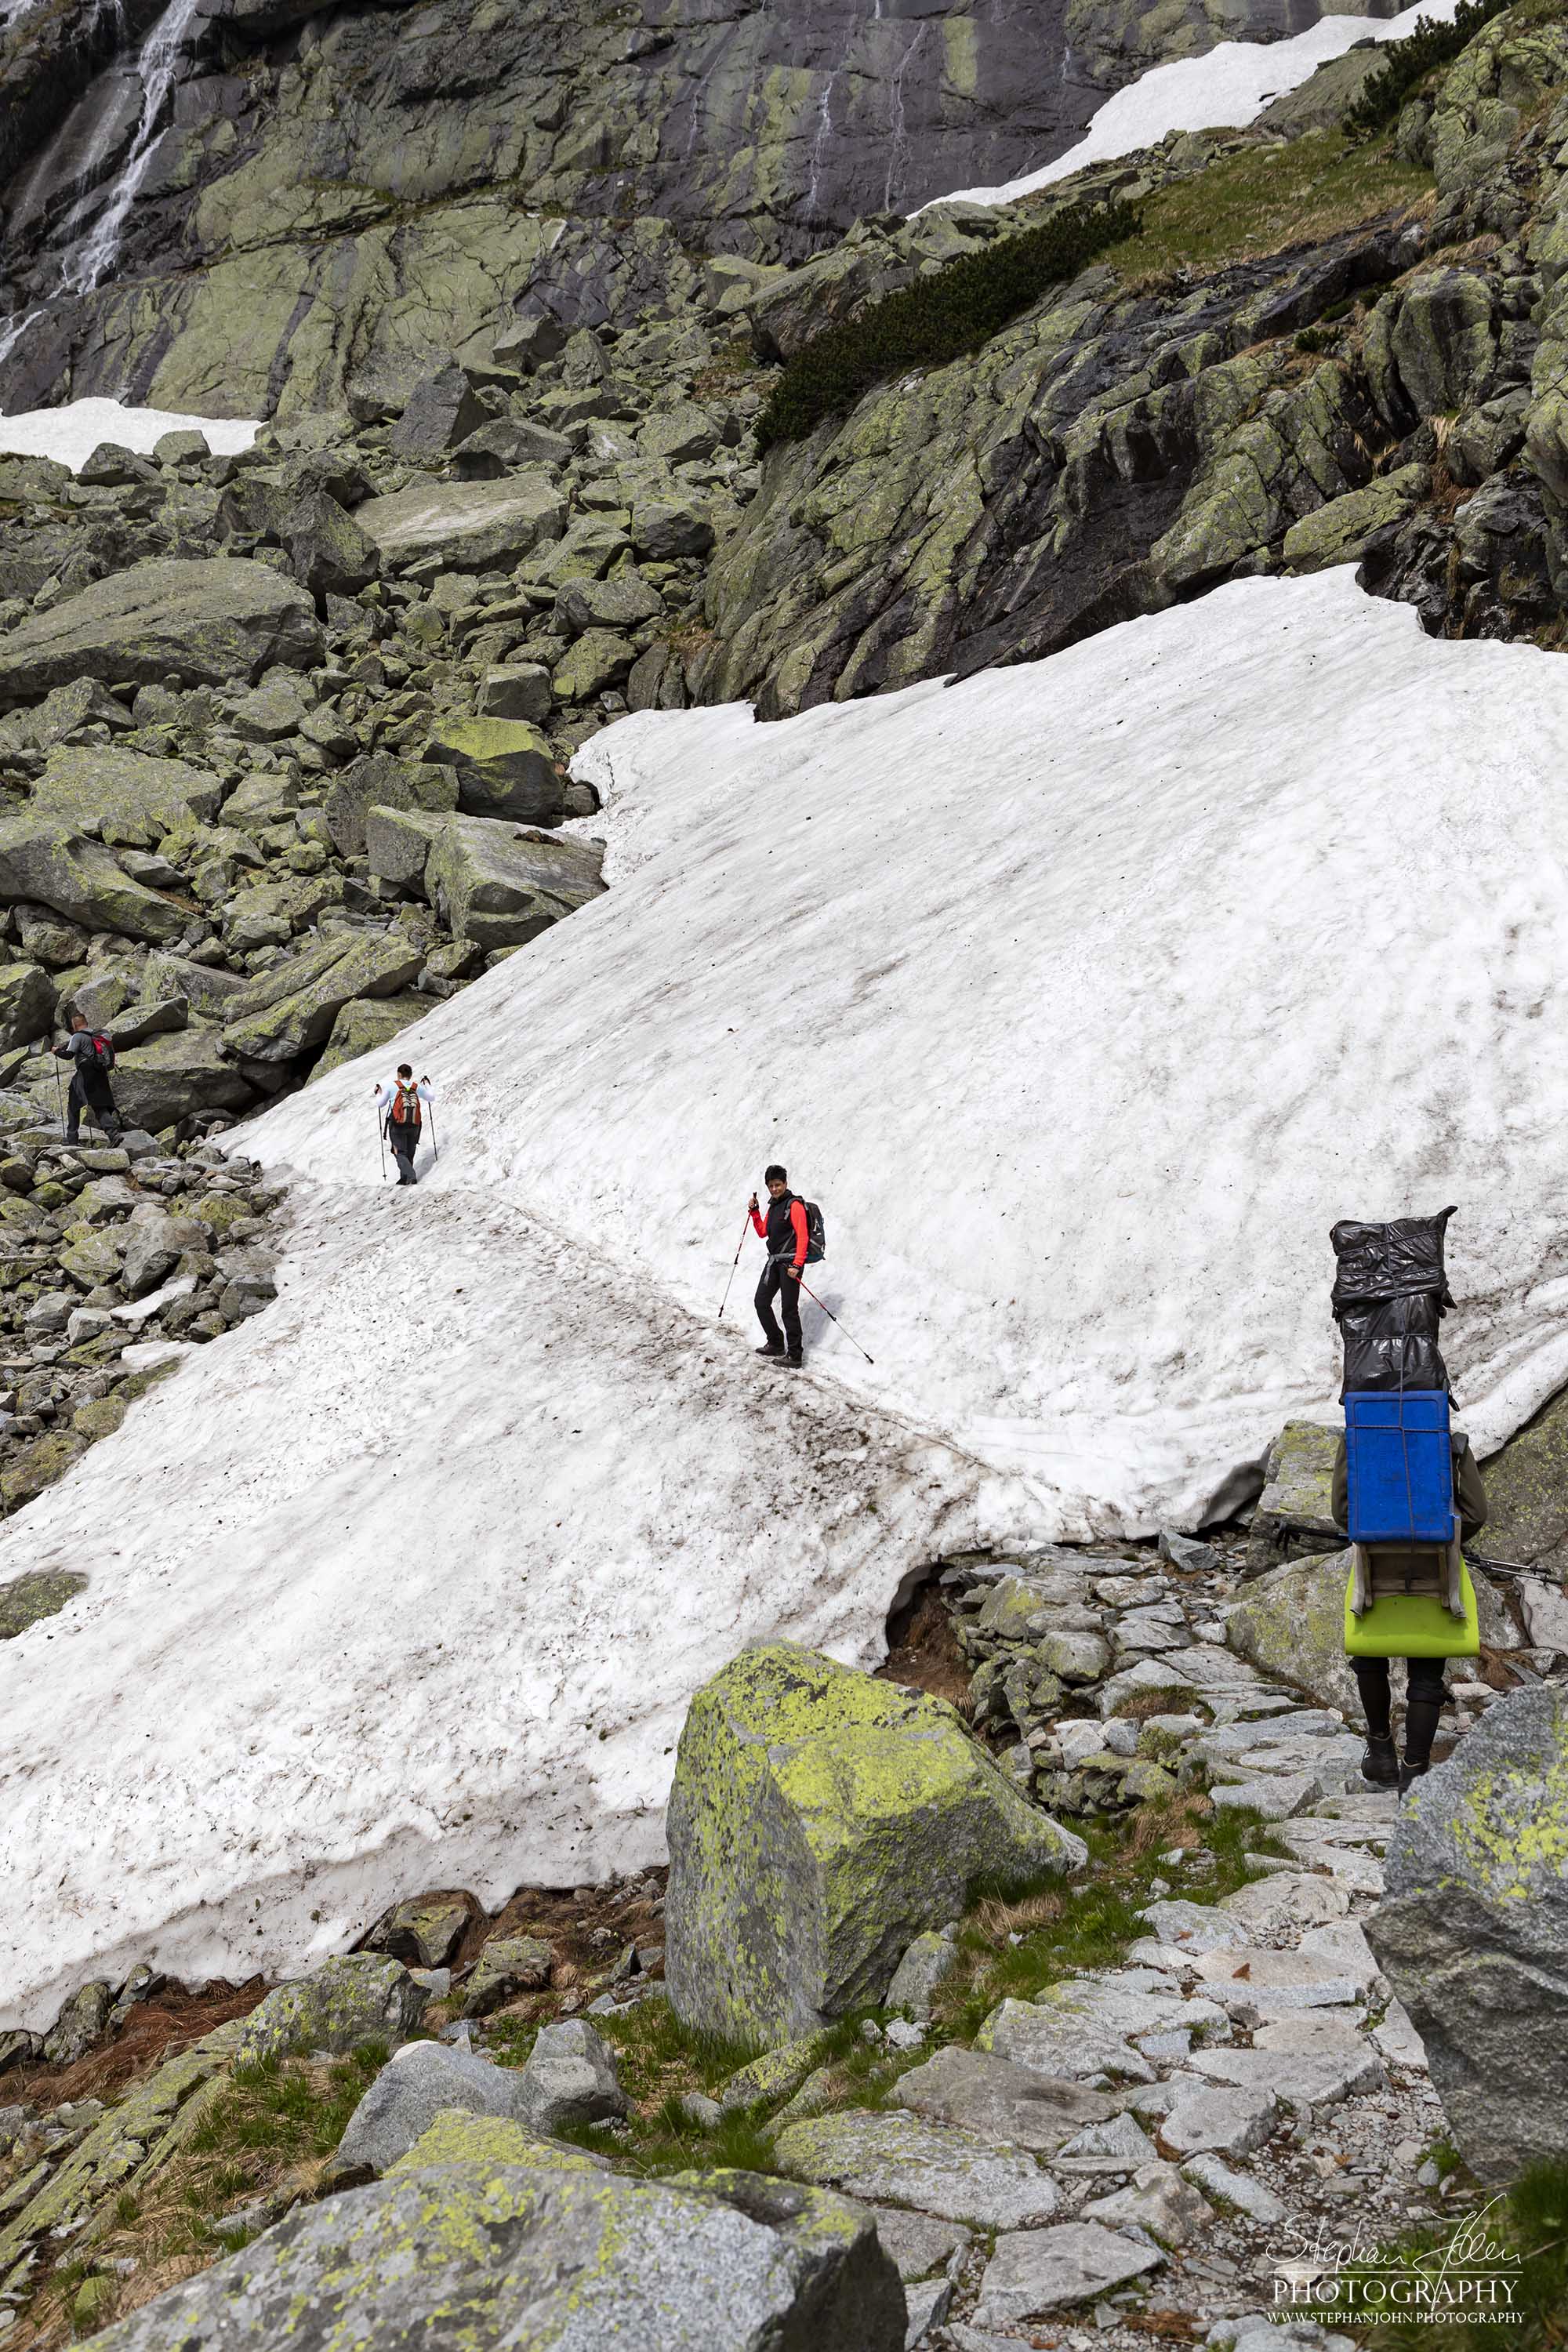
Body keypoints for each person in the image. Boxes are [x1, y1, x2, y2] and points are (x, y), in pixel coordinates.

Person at [1332, 1416, 1488, 1792]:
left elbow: (1342, 1512)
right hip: (1437, 1571)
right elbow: (1476, 1514)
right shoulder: (1452, 1445)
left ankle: (1380, 1752)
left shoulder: (1356, 1439)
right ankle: (1415, 1770)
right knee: (1427, 1676)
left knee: (1369, 1658)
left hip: (1374, 1569)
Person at [750, 1163, 808, 1367]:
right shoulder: (774, 1205)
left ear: (785, 1183)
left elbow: (803, 1237)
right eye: (771, 1186)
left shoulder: (795, 1206)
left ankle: (795, 1355)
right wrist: (756, 1212)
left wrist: (797, 1264)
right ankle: (775, 1342)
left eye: (777, 1185)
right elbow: (763, 1231)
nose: (774, 1189)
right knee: (761, 1301)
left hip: (790, 1264)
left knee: (789, 1309)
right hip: (774, 1261)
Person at [53, 1011, 121, 1145]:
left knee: (73, 1104)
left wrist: (56, 1051)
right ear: (86, 1023)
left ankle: (72, 1139)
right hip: (101, 1072)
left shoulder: (78, 1036)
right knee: (99, 1105)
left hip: (85, 1072)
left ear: (75, 1025)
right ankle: (114, 1135)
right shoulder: (97, 1035)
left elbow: (69, 1055)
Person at [375, 1065, 434, 1185]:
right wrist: (427, 1084)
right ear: (410, 1075)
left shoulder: (391, 1086)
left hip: (397, 1124)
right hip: (414, 1123)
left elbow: (381, 1104)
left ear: (399, 1074)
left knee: (399, 1152)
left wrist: (378, 1093)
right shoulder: (416, 1087)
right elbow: (431, 1097)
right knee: (410, 1152)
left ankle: (411, 1176)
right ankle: (405, 1178)